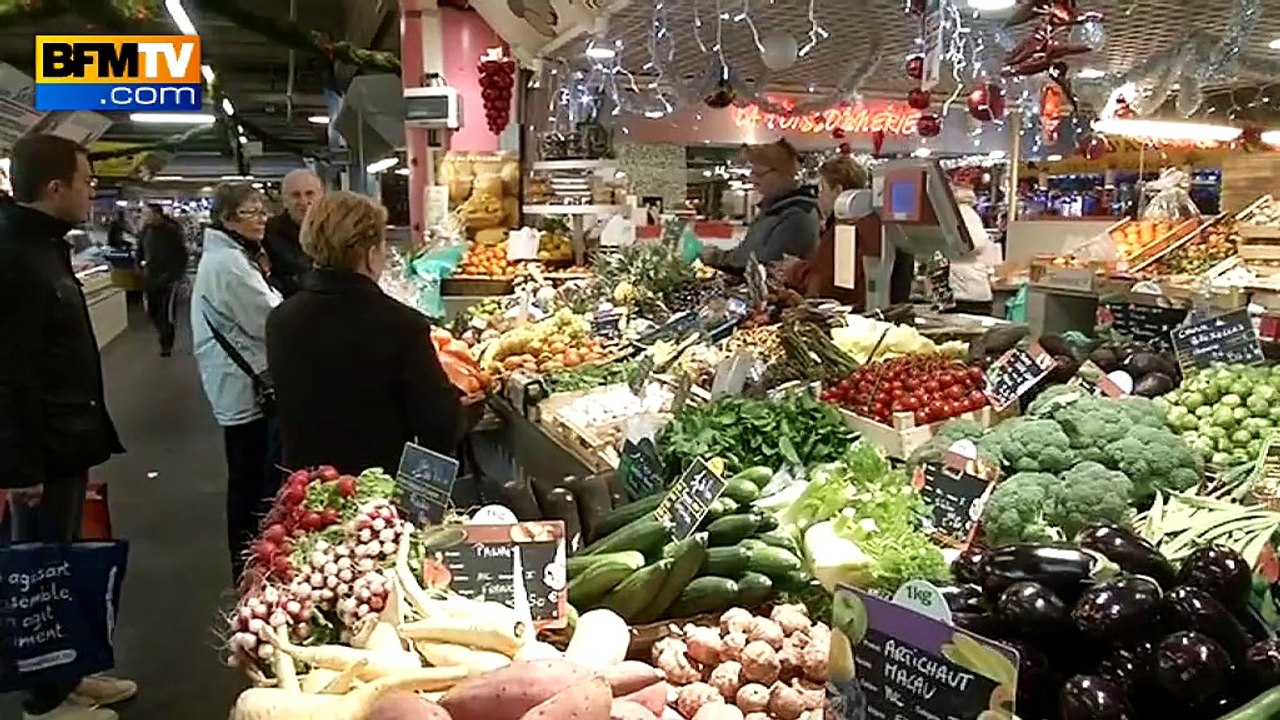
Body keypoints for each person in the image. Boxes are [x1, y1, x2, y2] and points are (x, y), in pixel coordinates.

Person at [0, 134, 133, 720]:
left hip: (64, 440)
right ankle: (45, 698)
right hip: (41, 449)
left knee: (63, 555)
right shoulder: (14, 257)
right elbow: (8, 372)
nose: (92, 191)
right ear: (54, 188)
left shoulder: (44, 246)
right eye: (86, 182)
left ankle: (69, 673)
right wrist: (18, 467)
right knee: (41, 568)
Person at [267, 191, 468, 476]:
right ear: (370, 255)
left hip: (307, 495)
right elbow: (440, 426)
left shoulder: (280, 319)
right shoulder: (401, 325)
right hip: (376, 501)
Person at [190, 183, 283, 582]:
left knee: (249, 479)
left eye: (262, 211)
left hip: (239, 386)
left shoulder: (232, 257)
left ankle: (248, 562)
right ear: (226, 218)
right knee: (250, 484)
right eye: (251, 212)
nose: (261, 219)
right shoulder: (227, 265)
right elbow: (269, 319)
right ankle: (248, 567)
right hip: (244, 392)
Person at [701, 139, 820, 272]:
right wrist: (719, 257)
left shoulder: (797, 215)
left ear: (783, 174)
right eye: (751, 173)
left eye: (758, 173)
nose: (752, 179)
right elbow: (748, 252)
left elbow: (766, 265)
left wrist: (720, 259)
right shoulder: (774, 208)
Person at [137, 203, 189, 357]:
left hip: (168, 279)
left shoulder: (172, 231)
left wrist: (175, 275)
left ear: (157, 214)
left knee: (166, 312)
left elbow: (182, 254)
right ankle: (162, 332)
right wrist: (139, 266)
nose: (144, 217)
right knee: (153, 311)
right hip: (150, 278)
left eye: (147, 213)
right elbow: (140, 250)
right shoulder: (146, 231)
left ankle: (166, 344)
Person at [263, 169, 322, 297]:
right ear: (284, 200)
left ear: (321, 196)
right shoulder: (268, 234)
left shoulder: (335, 231)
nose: (303, 201)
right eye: (296, 195)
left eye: (309, 193)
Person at [946, 184, 1001, 316]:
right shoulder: (959, 214)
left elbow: (975, 244)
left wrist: (948, 246)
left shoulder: (964, 214)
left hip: (968, 291)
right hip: (965, 287)